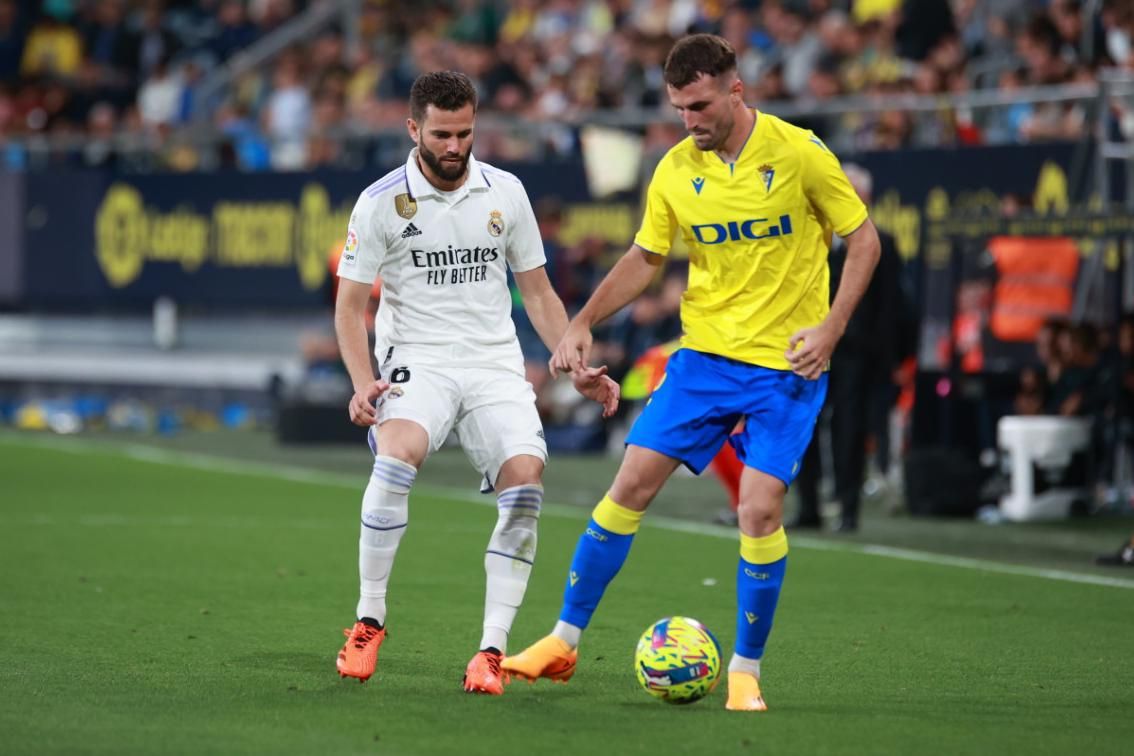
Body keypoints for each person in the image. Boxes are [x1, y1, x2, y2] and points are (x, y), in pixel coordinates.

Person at [502, 34, 880, 711]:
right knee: (629, 485)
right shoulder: (677, 168)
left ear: (736, 88)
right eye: (679, 108)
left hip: (783, 366)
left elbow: (864, 239)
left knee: (758, 508)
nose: (690, 121)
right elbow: (647, 256)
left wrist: (831, 327)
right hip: (703, 358)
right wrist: (584, 318)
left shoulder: (798, 153)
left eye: (700, 105)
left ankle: (744, 669)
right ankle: (563, 639)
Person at [332, 71, 619, 694]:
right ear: (414, 129)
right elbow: (349, 307)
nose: (455, 146)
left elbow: (538, 293)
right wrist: (361, 383)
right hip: (419, 357)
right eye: (442, 134)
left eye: (465, 132)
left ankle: (491, 650)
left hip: (494, 362)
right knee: (397, 456)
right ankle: (369, 619)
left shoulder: (506, 192)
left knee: (526, 482)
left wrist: (571, 360)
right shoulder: (380, 201)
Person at [793, 163, 902, 532]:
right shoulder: (809, 238)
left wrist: (883, 357)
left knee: (850, 432)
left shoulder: (882, 243)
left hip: (858, 355)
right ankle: (809, 507)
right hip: (810, 350)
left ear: (865, 199)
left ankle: (848, 509)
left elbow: (889, 306)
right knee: (802, 426)